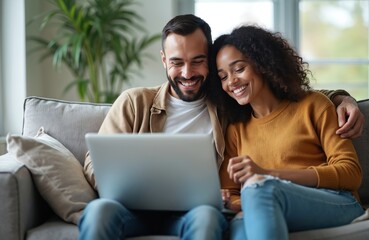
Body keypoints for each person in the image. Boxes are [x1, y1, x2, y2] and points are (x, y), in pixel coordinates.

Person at [78, 14, 364, 240]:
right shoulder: (138, 103)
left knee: (223, 208)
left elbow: (295, 100)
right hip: (133, 209)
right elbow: (96, 167)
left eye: (198, 62)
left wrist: (342, 97)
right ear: (164, 61)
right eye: (177, 62)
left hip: (203, 211)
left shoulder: (229, 109)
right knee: (98, 211)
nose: (187, 73)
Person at [210, 25, 365, 240]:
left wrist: (267, 175)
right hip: (266, 202)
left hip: (336, 201)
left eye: (238, 69)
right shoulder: (236, 129)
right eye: (223, 76)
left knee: (259, 189)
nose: (231, 82)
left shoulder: (314, 105)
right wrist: (228, 201)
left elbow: (351, 173)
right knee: (240, 226)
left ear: (262, 64)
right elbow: (233, 194)